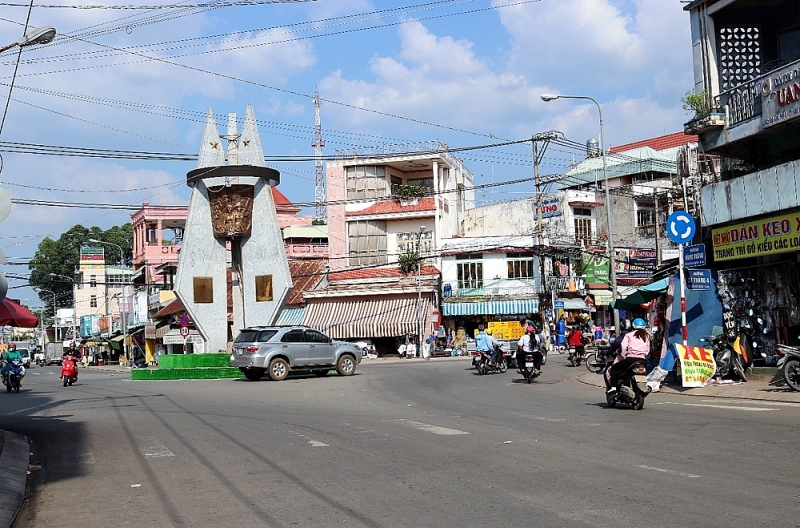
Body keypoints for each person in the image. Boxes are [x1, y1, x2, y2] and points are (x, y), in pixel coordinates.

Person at [607, 318, 650, 393]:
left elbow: (623, 347)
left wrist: (623, 356)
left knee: (614, 368)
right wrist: (644, 356)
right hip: (642, 361)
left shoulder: (629, 335)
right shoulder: (647, 336)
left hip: (630, 359)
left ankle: (613, 387)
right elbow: (648, 349)